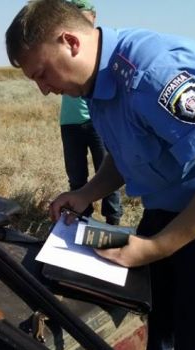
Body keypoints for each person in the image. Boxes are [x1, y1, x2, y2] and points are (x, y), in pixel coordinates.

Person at [5, 1, 195, 350]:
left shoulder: (153, 75)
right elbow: (126, 152)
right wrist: (86, 193)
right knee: (147, 320)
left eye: (42, 73)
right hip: (171, 199)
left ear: (70, 42)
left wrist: (154, 247)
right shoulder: (94, 82)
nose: (44, 89)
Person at [60, 0, 122, 225]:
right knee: (76, 176)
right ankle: (80, 222)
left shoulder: (101, 48)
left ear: (93, 16)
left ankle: (113, 223)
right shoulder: (64, 47)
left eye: (82, 14)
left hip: (96, 122)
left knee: (105, 172)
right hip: (69, 123)